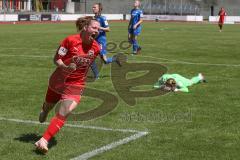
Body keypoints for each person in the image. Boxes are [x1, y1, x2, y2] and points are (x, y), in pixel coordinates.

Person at [35, 16, 102, 154]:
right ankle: (45, 110)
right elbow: (56, 59)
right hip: (58, 81)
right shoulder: (70, 40)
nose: (97, 31)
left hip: (76, 84)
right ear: (85, 27)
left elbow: (86, 66)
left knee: (65, 111)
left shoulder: (96, 48)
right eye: (94, 28)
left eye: (98, 29)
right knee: (48, 108)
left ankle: (44, 140)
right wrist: (66, 67)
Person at [90, 3, 121, 79]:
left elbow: (108, 29)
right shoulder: (92, 19)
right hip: (94, 41)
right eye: (93, 7)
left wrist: (99, 27)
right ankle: (96, 76)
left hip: (101, 41)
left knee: (105, 60)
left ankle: (115, 59)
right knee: (90, 58)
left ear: (99, 9)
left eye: (95, 7)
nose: (93, 8)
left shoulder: (103, 18)